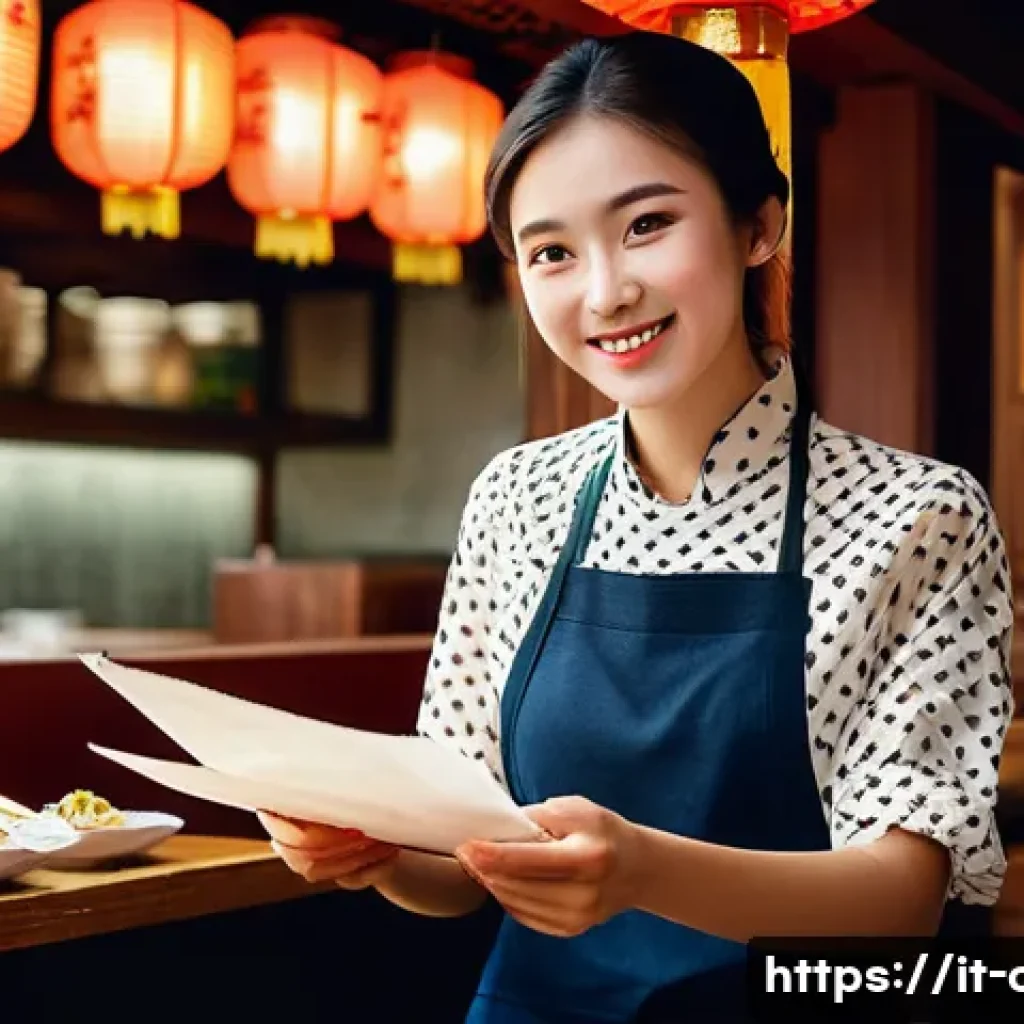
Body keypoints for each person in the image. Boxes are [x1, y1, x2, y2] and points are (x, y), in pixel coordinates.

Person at [260, 31, 1015, 1023]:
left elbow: (899, 901)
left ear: (758, 225)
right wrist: (376, 850)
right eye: (552, 253)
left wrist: (640, 869)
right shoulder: (515, 498)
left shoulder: (919, 516)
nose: (604, 290)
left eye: (647, 223)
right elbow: (458, 863)